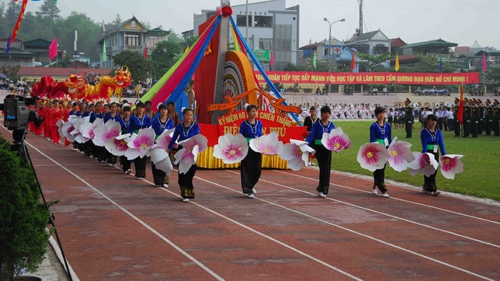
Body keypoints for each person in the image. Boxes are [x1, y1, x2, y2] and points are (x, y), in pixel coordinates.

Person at [168, 108, 200, 202]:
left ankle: (188, 192)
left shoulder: (195, 127)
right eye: (187, 115)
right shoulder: (179, 127)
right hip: (182, 151)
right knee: (182, 173)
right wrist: (169, 148)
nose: (189, 117)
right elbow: (174, 138)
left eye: (190, 115)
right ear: (183, 116)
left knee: (191, 171)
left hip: (192, 151)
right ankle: (184, 192)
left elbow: (196, 136)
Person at [306, 105, 335, 198]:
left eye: (328, 113)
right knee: (323, 168)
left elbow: (335, 137)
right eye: (324, 113)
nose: (326, 115)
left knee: (327, 169)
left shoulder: (332, 125)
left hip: (328, 149)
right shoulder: (317, 124)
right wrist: (307, 145)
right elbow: (312, 136)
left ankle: (324, 189)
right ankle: (321, 188)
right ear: (321, 114)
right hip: (319, 148)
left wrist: (337, 147)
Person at [239, 104, 263, 198]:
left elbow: (260, 134)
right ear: (248, 113)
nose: (255, 113)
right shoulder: (243, 124)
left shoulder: (259, 123)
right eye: (252, 111)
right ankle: (248, 189)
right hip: (247, 147)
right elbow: (241, 135)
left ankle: (251, 185)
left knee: (257, 169)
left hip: (257, 148)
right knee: (247, 168)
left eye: (256, 111)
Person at [421, 114, 446, 196]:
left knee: (434, 169)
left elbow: (441, 144)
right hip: (428, 152)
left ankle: (427, 186)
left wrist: (444, 155)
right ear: (428, 121)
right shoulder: (424, 132)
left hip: (435, 152)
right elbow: (424, 144)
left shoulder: (438, 132)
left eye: (435, 120)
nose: (434, 122)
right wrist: (424, 154)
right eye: (432, 120)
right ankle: (432, 188)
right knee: (428, 169)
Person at [369, 107, 391, 198]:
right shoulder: (373, 126)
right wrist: (373, 150)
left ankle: (375, 185)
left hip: (385, 149)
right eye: (379, 113)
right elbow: (372, 139)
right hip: (377, 150)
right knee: (378, 168)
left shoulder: (388, 126)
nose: (381, 115)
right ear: (376, 115)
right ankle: (383, 189)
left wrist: (390, 148)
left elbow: (389, 138)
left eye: (383, 113)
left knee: (382, 168)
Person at [151, 103, 174, 187]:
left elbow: (172, 132)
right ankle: (157, 181)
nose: (163, 111)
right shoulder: (155, 121)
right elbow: (151, 131)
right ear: (159, 111)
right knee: (157, 161)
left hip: (166, 144)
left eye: (165, 109)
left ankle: (165, 181)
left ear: (167, 111)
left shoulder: (170, 121)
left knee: (165, 161)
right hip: (156, 143)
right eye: (162, 109)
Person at [130, 101, 151, 178]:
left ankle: (142, 172)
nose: (140, 109)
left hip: (144, 139)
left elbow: (149, 128)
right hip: (136, 138)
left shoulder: (147, 118)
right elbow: (130, 128)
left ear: (144, 109)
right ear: (136, 109)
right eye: (139, 108)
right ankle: (138, 172)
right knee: (137, 155)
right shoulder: (132, 118)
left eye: (142, 108)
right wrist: (131, 136)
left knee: (143, 155)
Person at [118, 104, 133, 174]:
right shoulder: (120, 120)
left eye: (128, 111)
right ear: (123, 112)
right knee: (123, 153)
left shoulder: (132, 120)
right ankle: (124, 167)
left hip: (130, 137)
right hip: (123, 137)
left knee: (129, 152)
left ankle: (128, 167)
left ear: (130, 112)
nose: (127, 113)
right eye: (125, 111)